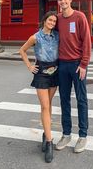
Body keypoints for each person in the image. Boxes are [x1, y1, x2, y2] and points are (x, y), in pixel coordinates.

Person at [19, 11, 59, 163]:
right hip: (41, 73)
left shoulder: (57, 36)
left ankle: (45, 132)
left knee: (48, 106)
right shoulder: (35, 37)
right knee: (44, 106)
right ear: (44, 20)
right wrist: (29, 66)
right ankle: (49, 141)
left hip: (55, 72)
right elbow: (22, 50)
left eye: (54, 22)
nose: (52, 23)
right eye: (50, 20)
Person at [55, 0, 91, 153]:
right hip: (62, 65)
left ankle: (82, 136)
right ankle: (66, 134)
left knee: (81, 100)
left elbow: (86, 42)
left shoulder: (79, 17)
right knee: (64, 101)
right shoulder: (57, 19)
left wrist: (84, 64)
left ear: (70, 0)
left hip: (77, 65)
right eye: (60, 0)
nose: (62, 2)